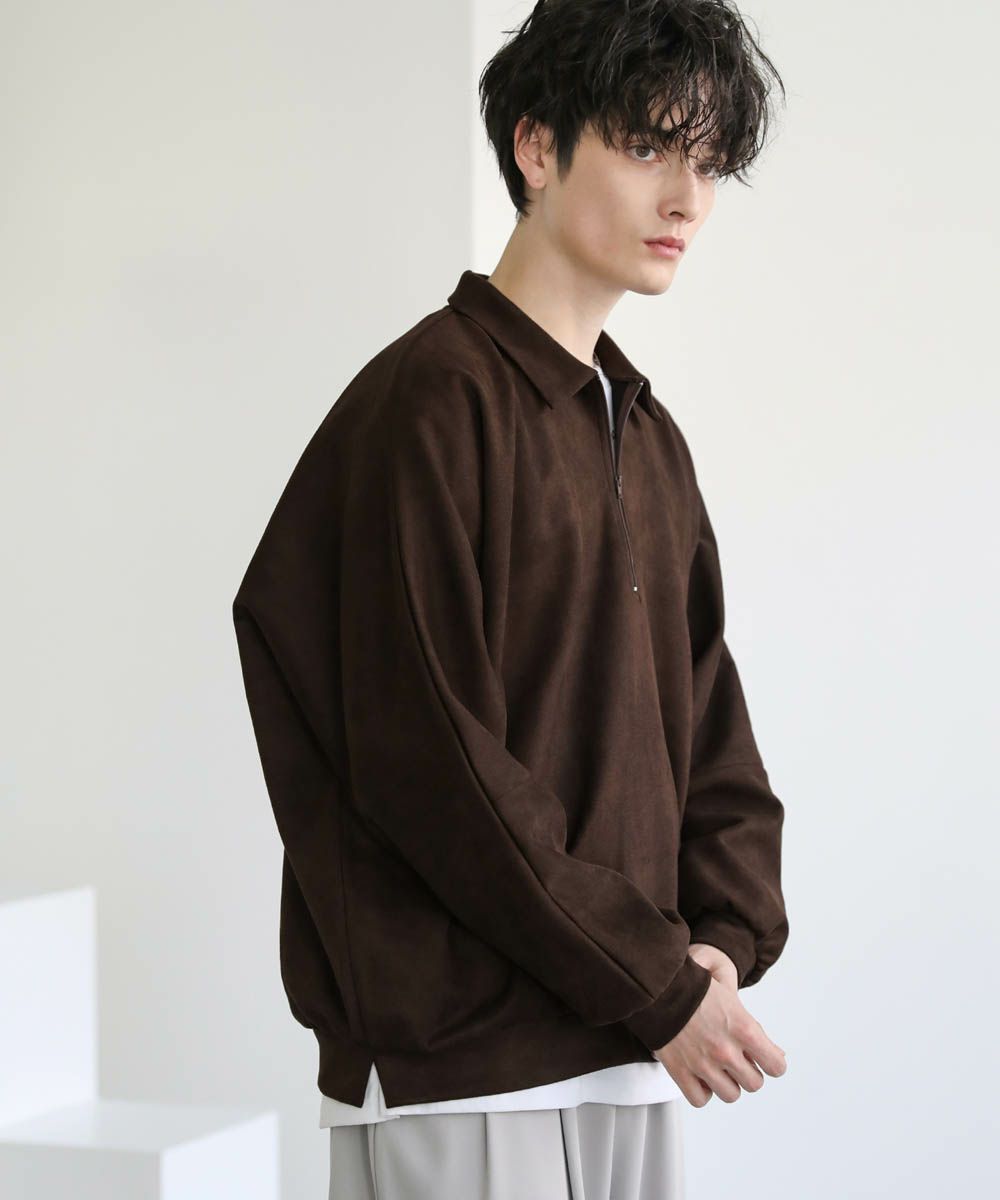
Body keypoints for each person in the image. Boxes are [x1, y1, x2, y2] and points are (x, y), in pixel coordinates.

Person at [232, 1, 790, 1196]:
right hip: (464, 1070)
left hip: (632, 1054)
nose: (686, 199)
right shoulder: (427, 405)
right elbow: (437, 772)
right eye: (647, 147)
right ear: (537, 147)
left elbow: (712, 738)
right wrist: (656, 982)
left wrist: (718, 946)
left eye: (706, 162)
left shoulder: (647, 438)